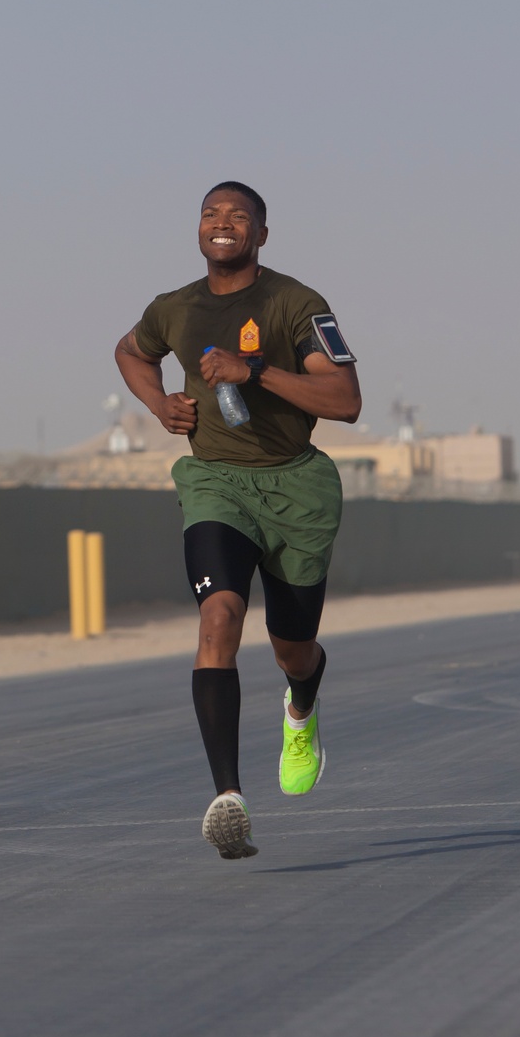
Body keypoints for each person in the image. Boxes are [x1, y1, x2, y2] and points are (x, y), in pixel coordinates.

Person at [115, 182, 362, 860]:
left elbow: (344, 398)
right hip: (214, 482)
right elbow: (130, 351)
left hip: (297, 488)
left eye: (238, 216)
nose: (222, 225)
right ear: (198, 229)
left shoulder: (295, 303)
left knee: (292, 645)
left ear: (261, 233)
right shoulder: (173, 307)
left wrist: (251, 370)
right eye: (210, 214)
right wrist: (159, 403)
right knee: (219, 615)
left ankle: (302, 703)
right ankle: (229, 799)